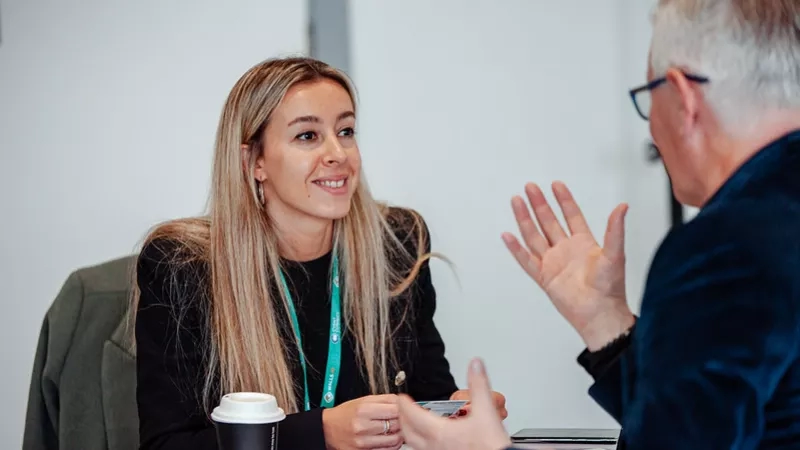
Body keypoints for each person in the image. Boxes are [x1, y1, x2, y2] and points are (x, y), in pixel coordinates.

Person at [397, 0, 800, 448]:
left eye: (649, 98)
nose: (651, 131)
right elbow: (697, 424)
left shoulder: (725, 248)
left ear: (683, 97)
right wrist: (606, 326)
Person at [132, 56, 507, 450]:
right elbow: (166, 444)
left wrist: (457, 412)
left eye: (345, 131)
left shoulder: (397, 242)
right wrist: (320, 432)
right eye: (307, 136)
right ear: (253, 161)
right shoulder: (181, 264)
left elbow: (426, 392)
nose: (338, 153)